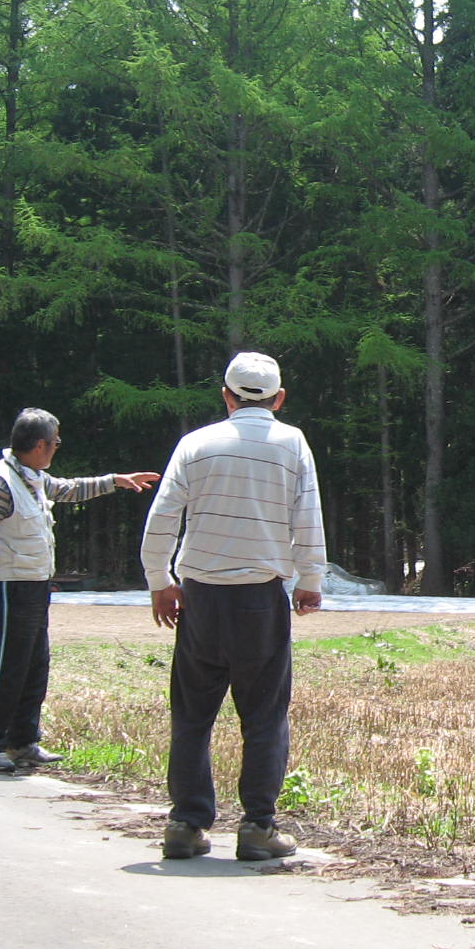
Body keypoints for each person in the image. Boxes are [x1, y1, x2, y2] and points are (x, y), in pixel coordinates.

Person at [141, 352, 325, 861]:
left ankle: (185, 823)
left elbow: (162, 519)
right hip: (260, 598)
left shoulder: (195, 444)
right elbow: (307, 515)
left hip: (199, 596)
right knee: (264, 715)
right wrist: (310, 580)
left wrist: (160, 581)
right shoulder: (292, 443)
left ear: (226, 396)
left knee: (193, 714)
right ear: (279, 399)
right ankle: (258, 827)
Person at [0, 409, 160, 772]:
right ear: (40, 445)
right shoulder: (1, 484)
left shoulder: (31, 477)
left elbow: (68, 489)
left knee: (34, 665)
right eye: (56, 442)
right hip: (8, 587)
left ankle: (23, 742)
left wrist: (115, 481)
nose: (57, 448)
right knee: (7, 668)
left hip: (35, 584)